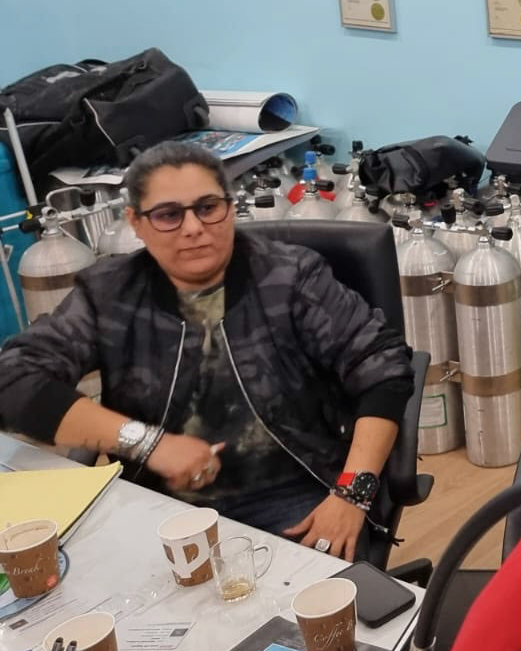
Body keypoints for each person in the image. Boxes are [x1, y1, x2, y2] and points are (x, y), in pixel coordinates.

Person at [0, 141, 412, 561]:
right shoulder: (109, 295)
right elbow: (13, 380)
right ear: (136, 223)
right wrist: (147, 443)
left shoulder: (290, 277)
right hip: (161, 505)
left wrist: (352, 493)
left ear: (230, 209)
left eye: (208, 207)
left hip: (298, 496)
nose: (193, 227)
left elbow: (383, 367)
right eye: (169, 215)